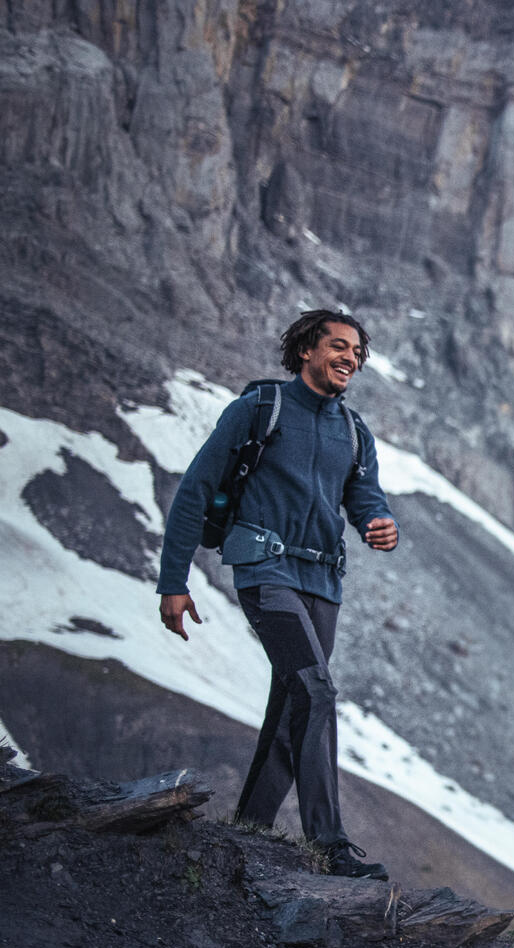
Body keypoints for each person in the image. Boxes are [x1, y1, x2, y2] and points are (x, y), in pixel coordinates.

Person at [155, 309, 398, 879]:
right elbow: (195, 491)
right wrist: (173, 582)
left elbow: (365, 498)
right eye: (339, 346)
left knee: (295, 702)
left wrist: (378, 522)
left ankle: (251, 832)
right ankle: (331, 846)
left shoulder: (356, 432)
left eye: (358, 352)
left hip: (323, 583)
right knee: (315, 690)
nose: (351, 358)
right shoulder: (258, 410)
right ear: (308, 350)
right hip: (264, 573)